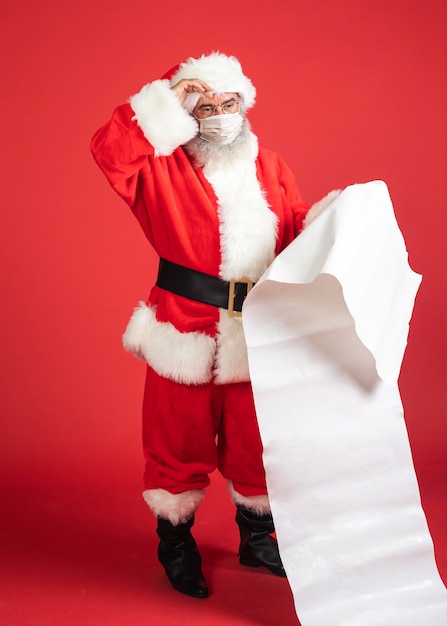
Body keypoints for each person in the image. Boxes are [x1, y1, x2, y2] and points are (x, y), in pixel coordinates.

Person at [90, 51, 309, 599]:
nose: (219, 113)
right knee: (175, 441)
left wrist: (341, 222)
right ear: (185, 113)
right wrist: (167, 102)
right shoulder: (158, 169)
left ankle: (258, 538)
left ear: (246, 104)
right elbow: (109, 152)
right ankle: (176, 541)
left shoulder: (271, 165)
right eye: (204, 104)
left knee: (257, 441)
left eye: (228, 102)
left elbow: (299, 227)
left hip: (256, 331)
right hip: (184, 327)